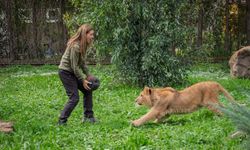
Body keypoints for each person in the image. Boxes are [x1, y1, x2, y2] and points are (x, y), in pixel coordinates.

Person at [58, 24, 97, 125]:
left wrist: (88, 75)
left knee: (88, 90)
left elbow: (82, 63)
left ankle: (89, 117)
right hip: (66, 72)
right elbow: (74, 66)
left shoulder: (83, 45)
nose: (93, 37)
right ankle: (62, 121)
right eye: (91, 34)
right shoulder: (75, 46)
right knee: (74, 98)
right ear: (85, 34)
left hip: (72, 72)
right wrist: (82, 79)